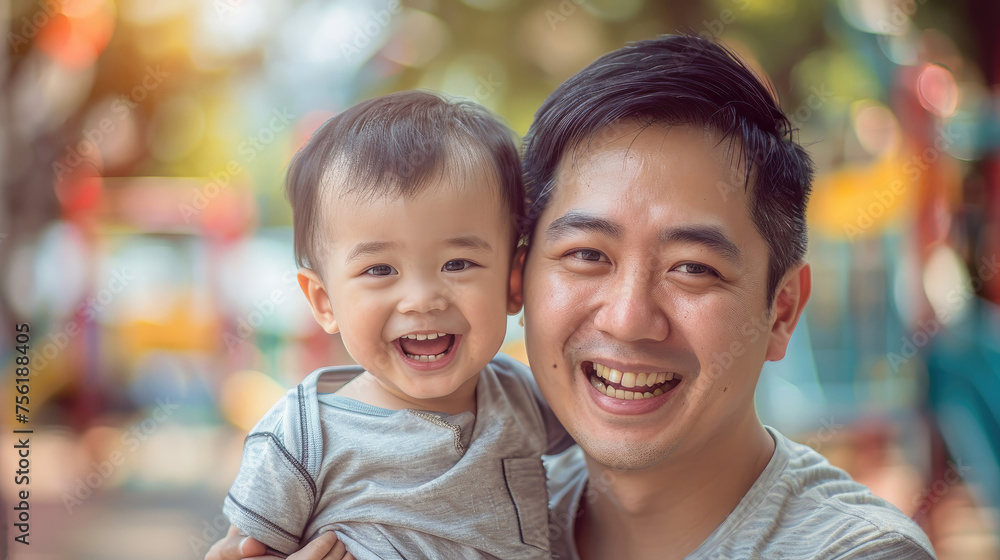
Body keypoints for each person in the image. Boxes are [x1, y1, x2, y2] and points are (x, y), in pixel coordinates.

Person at [209, 34, 936, 560]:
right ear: (524, 278)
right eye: (587, 255)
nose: (627, 318)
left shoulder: (856, 552)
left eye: (691, 268)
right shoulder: (490, 482)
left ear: (781, 310)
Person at [219, 90, 571, 560]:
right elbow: (235, 552)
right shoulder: (300, 438)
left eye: (459, 263)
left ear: (513, 282)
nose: (423, 298)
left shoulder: (521, 395)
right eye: (380, 270)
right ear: (324, 302)